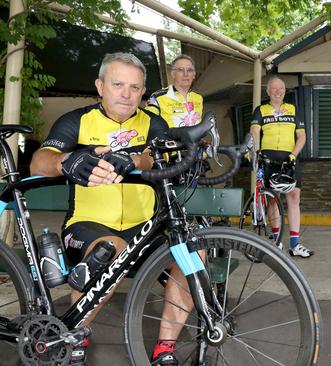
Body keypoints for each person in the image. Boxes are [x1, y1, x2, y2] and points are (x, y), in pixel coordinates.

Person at [30, 52, 187, 366]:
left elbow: (156, 156)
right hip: (88, 225)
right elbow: (39, 161)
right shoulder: (76, 120)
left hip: (144, 227)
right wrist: (66, 161)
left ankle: (164, 348)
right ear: (100, 86)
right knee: (110, 252)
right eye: (118, 84)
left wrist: (133, 159)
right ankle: (74, 333)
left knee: (192, 256)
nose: (126, 94)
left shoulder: (153, 122)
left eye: (134, 87)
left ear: (143, 91)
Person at [250, 76, 314, 258]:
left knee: (294, 198)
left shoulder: (293, 109)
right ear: (268, 91)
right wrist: (256, 153)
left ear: (285, 91)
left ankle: (295, 244)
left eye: (281, 89)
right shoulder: (261, 110)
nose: (278, 92)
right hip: (268, 157)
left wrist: (293, 155)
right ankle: (276, 242)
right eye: (274, 89)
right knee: (273, 199)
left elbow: (302, 136)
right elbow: (255, 132)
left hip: (289, 156)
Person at [146, 54, 203, 128]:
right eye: (180, 70)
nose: (186, 74)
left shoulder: (198, 97)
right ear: (173, 74)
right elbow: (146, 123)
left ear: (194, 75)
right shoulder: (157, 97)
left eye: (189, 70)